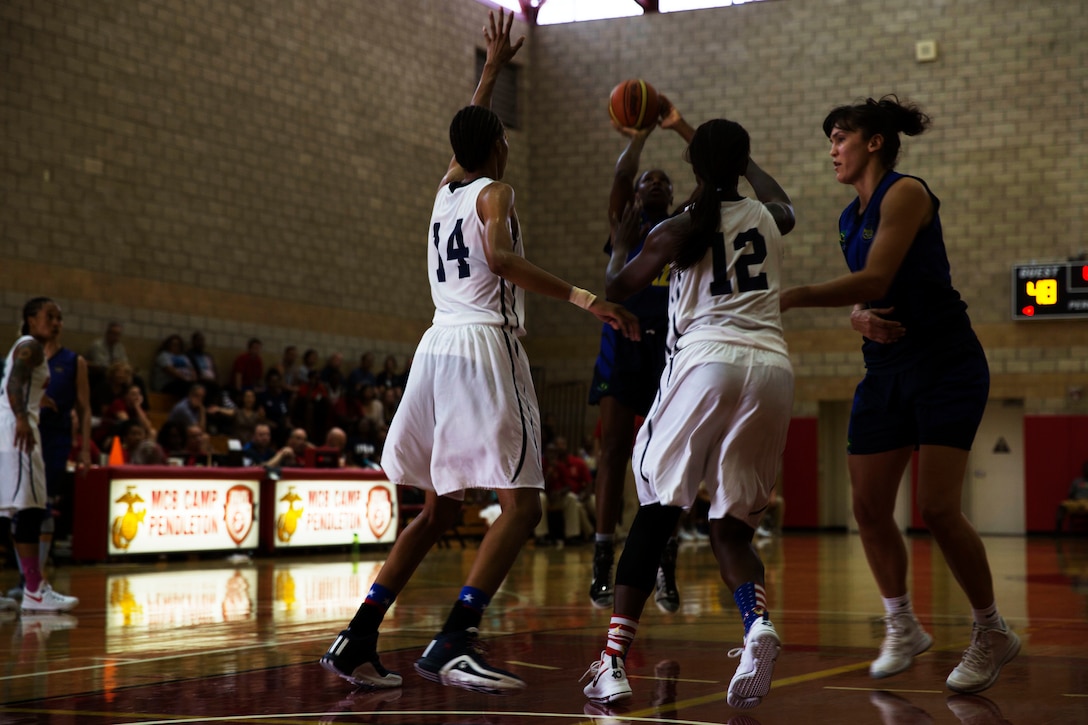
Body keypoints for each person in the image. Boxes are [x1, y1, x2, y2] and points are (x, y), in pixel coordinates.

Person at [319, 9, 638, 695]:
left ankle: (356, 638)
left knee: (438, 512)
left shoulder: (444, 192)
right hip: (485, 348)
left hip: (436, 348)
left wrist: (491, 70)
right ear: (498, 147)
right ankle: (454, 639)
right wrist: (588, 299)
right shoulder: (495, 189)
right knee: (524, 506)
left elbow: (467, 131)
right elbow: (500, 257)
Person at [779, 95, 1019, 694]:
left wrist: (792, 295)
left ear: (875, 141)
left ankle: (992, 631)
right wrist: (857, 315)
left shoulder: (907, 192)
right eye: (830, 139)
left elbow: (879, 276)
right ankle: (902, 625)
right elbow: (870, 294)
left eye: (840, 137)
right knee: (866, 507)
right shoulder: (844, 218)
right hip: (884, 369)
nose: (832, 149)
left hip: (945, 364)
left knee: (936, 508)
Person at [581, 118, 795, 711]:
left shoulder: (676, 228)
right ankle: (755, 625)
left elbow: (619, 286)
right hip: (772, 371)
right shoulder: (770, 215)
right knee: (730, 525)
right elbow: (778, 197)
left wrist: (623, 241)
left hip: (707, 362)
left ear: (694, 171)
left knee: (655, 508)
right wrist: (737, 159)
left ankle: (614, 663)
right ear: (745, 163)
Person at [587, 93, 695, 611]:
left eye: (662, 181)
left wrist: (679, 126)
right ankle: (601, 563)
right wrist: (642, 134)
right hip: (620, 346)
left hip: (668, 354)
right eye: (647, 180)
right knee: (611, 454)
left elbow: (716, 179)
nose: (652, 184)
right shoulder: (623, 225)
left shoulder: (680, 232)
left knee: (667, 463)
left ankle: (666, 566)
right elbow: (620, 179)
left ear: (673, 195)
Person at [0, 297, 80, 613]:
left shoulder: (26, 346)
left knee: (5, 513)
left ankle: (32, 586)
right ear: (31, 319)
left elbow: (16, 382)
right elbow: (15, 383)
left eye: (59, 318)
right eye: (50, 316)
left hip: (6, 432)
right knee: (31, 510)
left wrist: (39, 398)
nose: (56, 322)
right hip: (17, 434)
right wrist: (22, 416)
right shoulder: (31, 345)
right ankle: (34, 589)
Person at [85, 321, 129, 388]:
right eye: (114, 334)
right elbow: (100, 364)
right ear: (108, 333)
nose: (116, 337)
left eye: (118, 334)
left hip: (115, 373)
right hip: (98, 373)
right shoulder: (97, 345)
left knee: (135, 379)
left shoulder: (119, 347)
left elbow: (124, 363)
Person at [1056, 461, 1088, 533]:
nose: (1087, 470)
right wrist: (1071, 502)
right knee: (1062, 506)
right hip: (1077, 501)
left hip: (1087, 502)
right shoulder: (1077, 481)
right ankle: (1058, 532)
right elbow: (1071, 494)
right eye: (1085, 468)